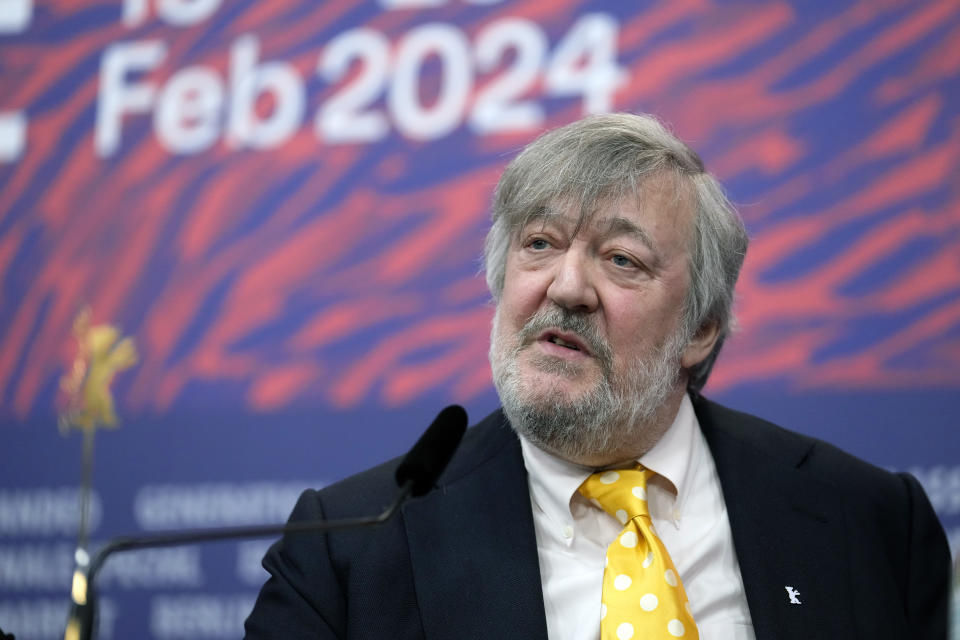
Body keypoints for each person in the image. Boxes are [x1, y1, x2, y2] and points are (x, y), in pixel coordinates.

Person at [244, 114, 950, 639]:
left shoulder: (868, 520)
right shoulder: (350, 548)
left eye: (621, 260)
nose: (567, 286)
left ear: (700, 329)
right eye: (540, 243)